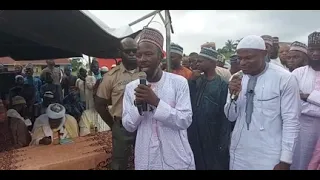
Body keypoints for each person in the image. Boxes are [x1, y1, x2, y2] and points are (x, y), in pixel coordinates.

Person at [122, 27, 195, 170]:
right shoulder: (131, 88)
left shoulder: (178, 82)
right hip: (147, 158)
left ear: (161, 56)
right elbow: (128, 126)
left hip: (176, 157)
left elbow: (185, 120)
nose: (142, 59)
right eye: (139, 55)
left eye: (148, 54)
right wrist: (138, 106)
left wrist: (156, 102)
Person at [225, 35, 300, 170]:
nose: (242, 63)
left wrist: (285, 160)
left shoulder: (285, 79)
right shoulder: (236, 78)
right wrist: (233, 96)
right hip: (240, 152)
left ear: (264, 54)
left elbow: (291, 121)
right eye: (240, 58)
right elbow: (230, 116)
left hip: (270, 155)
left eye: (248, 58)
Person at [95, 37, 140, 170]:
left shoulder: (146, 72)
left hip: (143, 125)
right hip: (121, 127)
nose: (132, 54)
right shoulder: (111, 76)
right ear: (120, 52)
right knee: (119, 164)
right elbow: (100, 104)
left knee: (145, 160)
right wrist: (113, 124)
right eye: (128, 51)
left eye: (134, 51)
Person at [188, 47, 230, 170]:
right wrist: (191, 82)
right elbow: (188, 101)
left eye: (201, 61)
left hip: (213, 134)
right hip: (196, 132)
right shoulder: (197, 80)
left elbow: (225, 116)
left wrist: (223, 142)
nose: (197, 64)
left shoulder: (222, 85)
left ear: (212, 62)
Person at [291, 32, 320, 170]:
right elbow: (294, 103)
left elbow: (303, 101)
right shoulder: (297, 73)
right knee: (301, 163)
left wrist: (309, 97)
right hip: (304, 132)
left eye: (319, 49)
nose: (315, 53)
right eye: (312, 49)